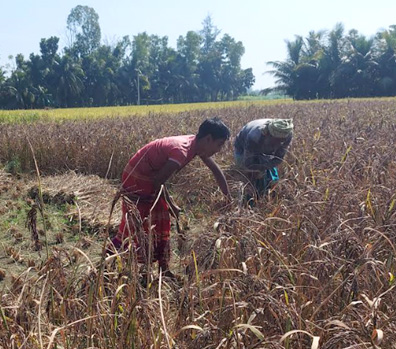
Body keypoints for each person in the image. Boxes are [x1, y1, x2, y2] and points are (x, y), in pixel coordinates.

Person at [111, 117, 231, 277]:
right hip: (137, 179)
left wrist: (228, 198)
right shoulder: (181, 151)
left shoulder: (196, 145)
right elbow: (158, 181)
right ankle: (108, 261)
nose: (219, 149)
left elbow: (216, 171)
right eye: (219, 144)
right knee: (134, 227)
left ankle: (164, 269)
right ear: (208, 139)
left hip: (149, 179)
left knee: (161, 221)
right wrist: (172, 204)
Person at [233, 118, 293, 205]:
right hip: (242, 147)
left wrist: (264, 167)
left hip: (263, 146)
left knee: (270, 177)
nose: (278, 143)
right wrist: (256, 172)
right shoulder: (254, 136)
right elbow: (248, 163)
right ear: (268, 134)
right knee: (247, 176)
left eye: (281, 141)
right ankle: (247, 200)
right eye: (276, 140)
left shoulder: (287, 135)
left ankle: (267, 193)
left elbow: (278, 158)